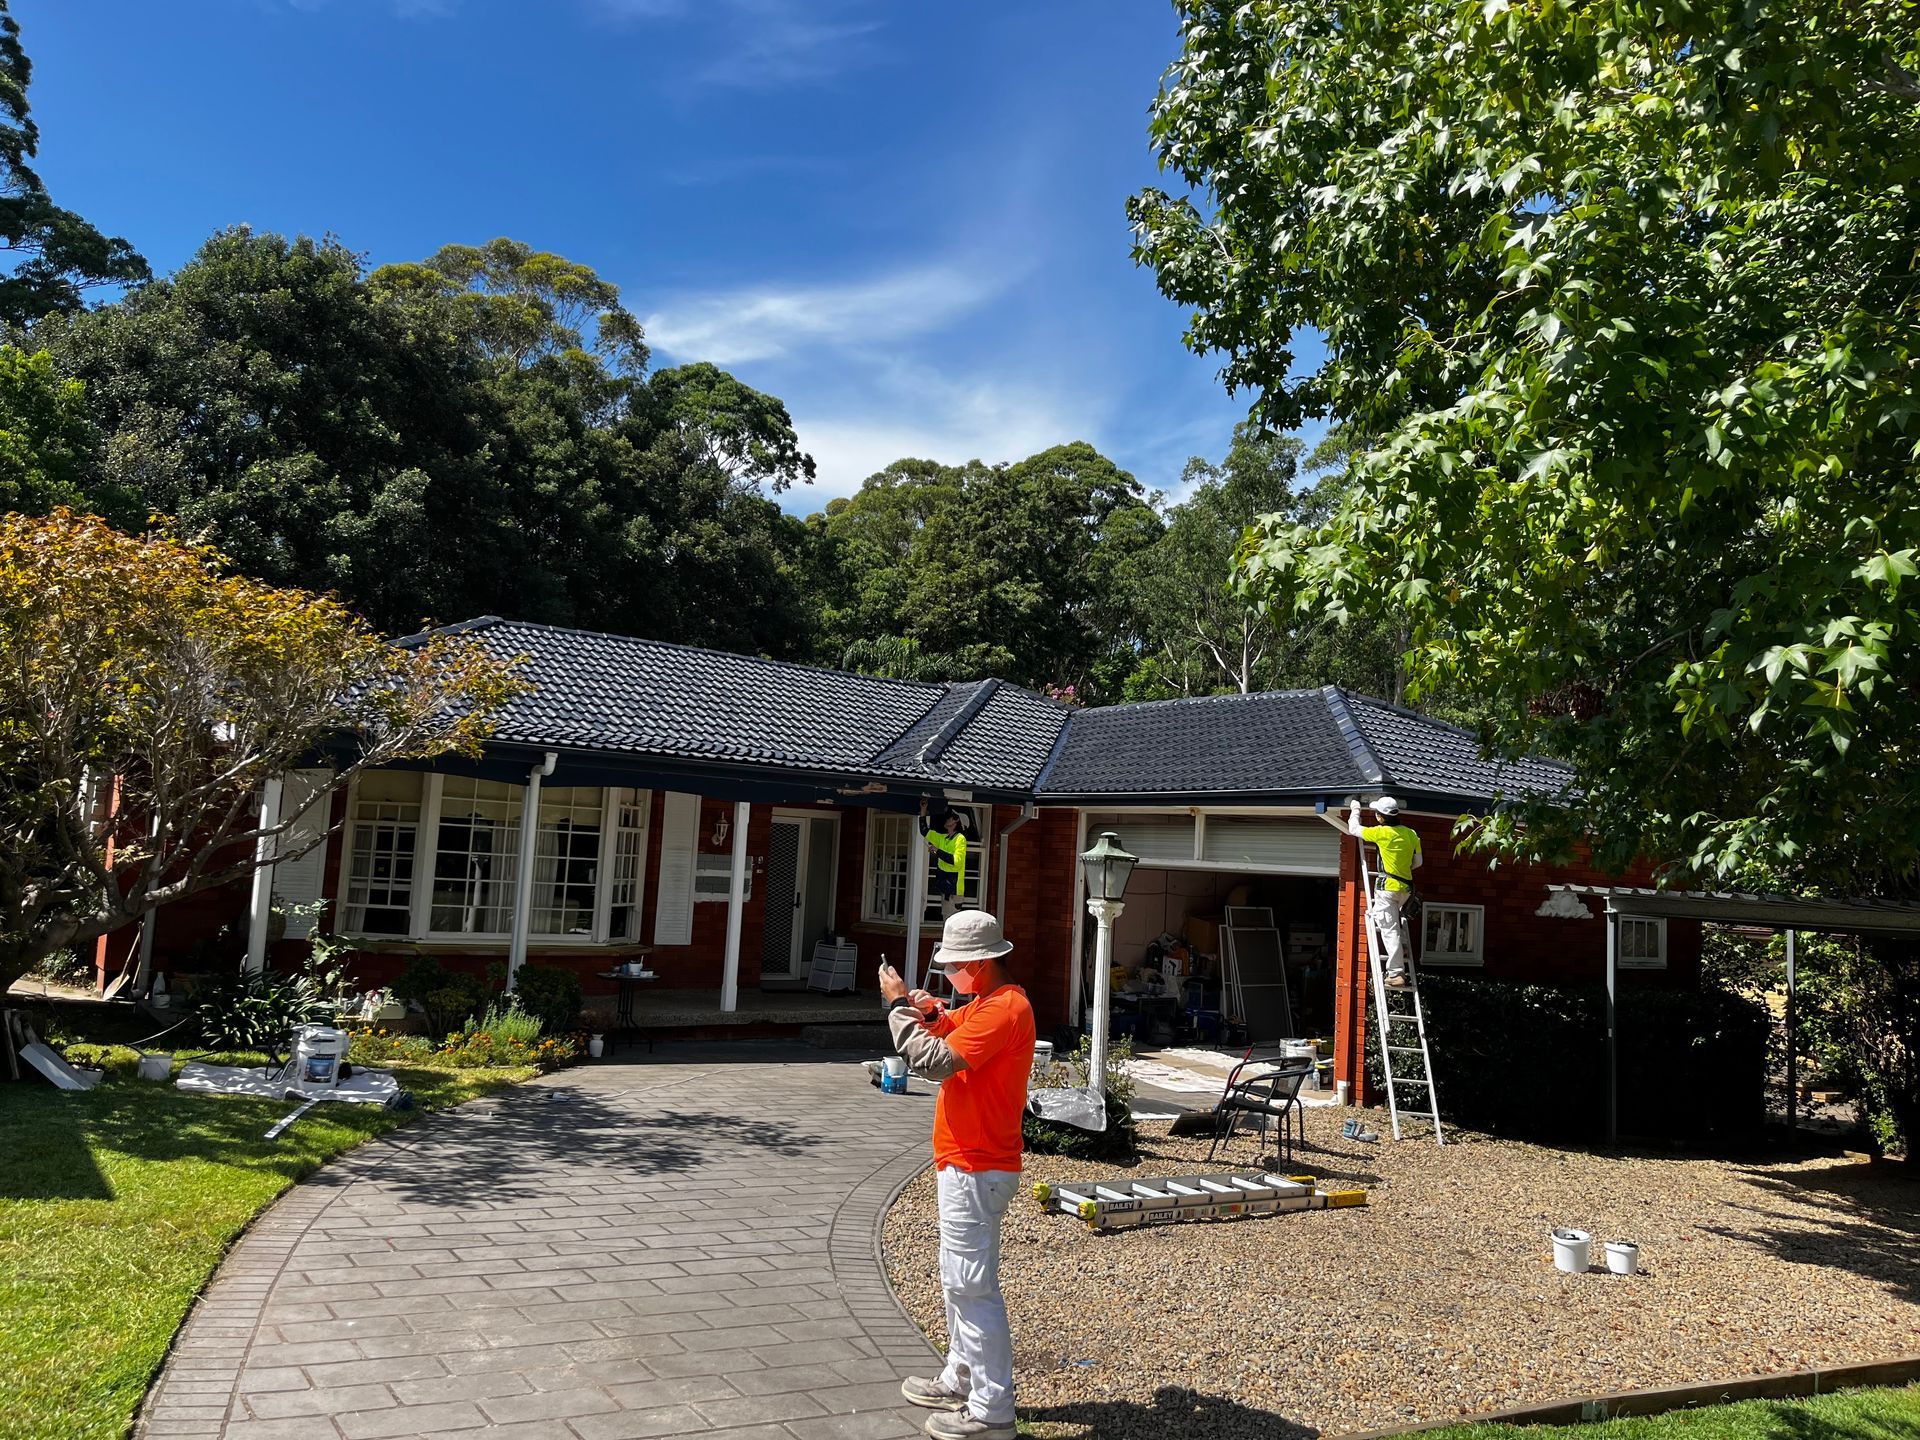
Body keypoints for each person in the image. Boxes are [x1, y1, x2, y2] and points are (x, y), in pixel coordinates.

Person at [879, 909, 1034, 1440]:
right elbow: (948, 1026)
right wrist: (926, 1006)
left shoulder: (1005, 1009)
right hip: (966, 1161)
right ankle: (961, 1376)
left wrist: (900, 1006)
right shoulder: (989, 1003)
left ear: (980, 964)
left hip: (978, 1163)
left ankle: (992, 1411)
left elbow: (934, 1058)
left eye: (953, 967)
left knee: (972, 1287)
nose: (947, 974)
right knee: (957, 1281)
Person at [1349, 795, 1423, 988]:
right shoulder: (1411, 834)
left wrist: (1355, 808)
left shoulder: (1381, 833)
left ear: (1381, 817)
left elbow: (1353, 829)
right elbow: (1418, 862)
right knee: (1397, 925)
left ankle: (1396, 973)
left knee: (1390, 931)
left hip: (1387, 889)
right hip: (1406, 889)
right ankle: (1403, 950)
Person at [919, 800, 970, 918]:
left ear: (956, 821)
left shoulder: (960, 839)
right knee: (946, 923)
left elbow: (955, 862)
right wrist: (923, 810)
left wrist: (937, 851)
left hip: (954, 890)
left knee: (953, 926)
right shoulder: (943, 838)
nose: (947, 818)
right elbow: (924, 831)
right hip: (946, 888)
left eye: (951, 817)